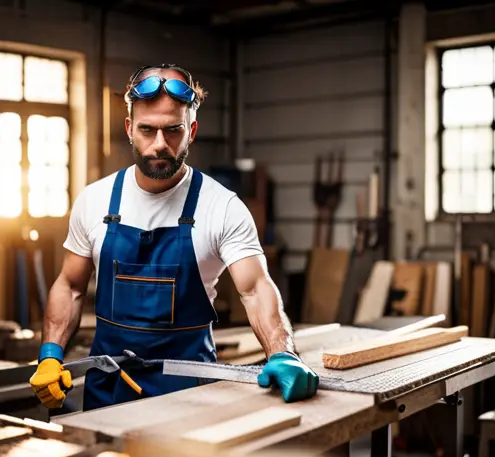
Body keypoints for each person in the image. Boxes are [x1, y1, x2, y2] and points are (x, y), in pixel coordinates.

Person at [29, 63, 319, 412]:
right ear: (129, 129)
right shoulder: (95, 200)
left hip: (190, 394)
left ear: (192, 129)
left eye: (173, 130)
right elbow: (71, 286)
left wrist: (283, 352)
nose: (159, 145)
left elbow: (255, 289)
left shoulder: (222, 206)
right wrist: (49, 355)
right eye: (147, 130)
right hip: (109, 390)